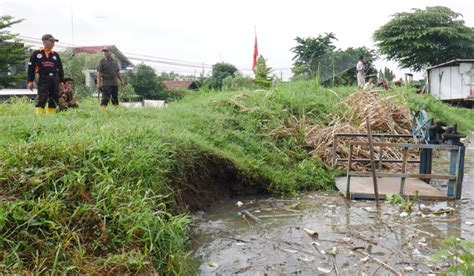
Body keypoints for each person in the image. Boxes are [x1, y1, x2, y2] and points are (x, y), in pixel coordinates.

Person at [27, 34, 64, 114]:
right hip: (43, 78)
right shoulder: (36, 54)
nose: (53, 43)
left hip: (54, 78)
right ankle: (40, 116)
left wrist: (61, 81)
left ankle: (51, 116)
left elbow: (60, 69)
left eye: (54, 42)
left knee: (54, 96)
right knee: (42, 96)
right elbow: (31, 68)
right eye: (51, 41)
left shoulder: (55, 55)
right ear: (44, 41)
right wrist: (30, 81)